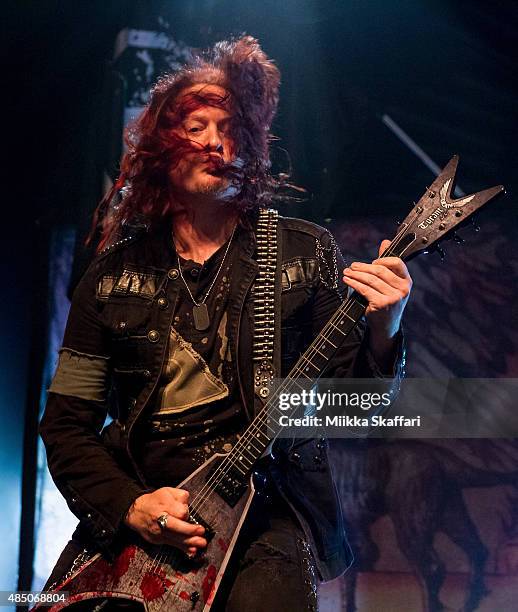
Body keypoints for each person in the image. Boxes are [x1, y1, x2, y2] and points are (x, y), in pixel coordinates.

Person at [40, 36, 412, 611]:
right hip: (144, 508)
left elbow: (356, 406)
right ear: (164, 147)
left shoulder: (303, 251)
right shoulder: (111, 277)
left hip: (266, 509)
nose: (215, 141)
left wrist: (386, 328)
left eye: (230, 127)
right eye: (196, 126)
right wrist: (129, 507)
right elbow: (66, 425)